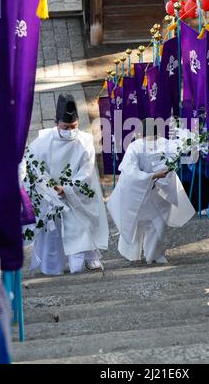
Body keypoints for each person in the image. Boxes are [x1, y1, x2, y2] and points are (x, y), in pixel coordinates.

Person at [25, 94, 109, 275]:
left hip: (76, 191)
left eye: (74, 127)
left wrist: (68, 188)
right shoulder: (41, 143)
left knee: (80, 227)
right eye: (66, 127)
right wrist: (51, 188)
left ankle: (83, 261)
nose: (70, 130)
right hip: (51, 193)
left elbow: (86, 171)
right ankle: (53, 266)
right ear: (57, 124)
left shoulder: (85, 140)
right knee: (53, 232)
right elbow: (35, 168)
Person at [107, 118, 195, 264]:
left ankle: (154, 255)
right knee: (136, 223)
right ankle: (134, 254)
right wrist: (151, 176)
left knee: (158, 224)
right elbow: (129, 171)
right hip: (138, 192)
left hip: (159, 190)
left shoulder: (164, 143)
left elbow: (181, 150)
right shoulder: (135, 147)